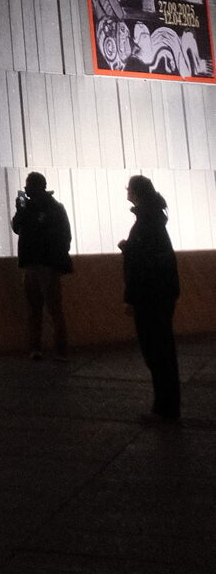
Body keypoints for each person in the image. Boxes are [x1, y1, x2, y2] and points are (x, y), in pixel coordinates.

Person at [120, 174, 181, 422]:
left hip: (150, 296)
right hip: (161, 292)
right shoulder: (154, 219)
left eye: (129, 189)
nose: (127, 192)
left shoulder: (145, 222)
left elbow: (141, 265)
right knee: (162, 350)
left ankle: (165, 409)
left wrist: (130, 298)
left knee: (156, 352)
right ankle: (167, 407)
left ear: (135, 193)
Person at [11, 171, 72, 359]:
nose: (26, 189)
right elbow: (17, 227)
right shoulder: (39, 207)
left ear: (37, 187)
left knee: (44, 309)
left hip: (42, 263)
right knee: (43, 309)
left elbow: (63, 235)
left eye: (29, 185)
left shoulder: (52, 208)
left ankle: (46, 349)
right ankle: (51, 349)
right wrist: (20, 209)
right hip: (39, 263)